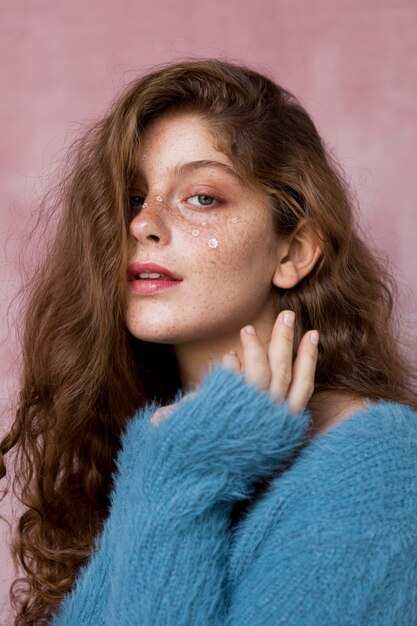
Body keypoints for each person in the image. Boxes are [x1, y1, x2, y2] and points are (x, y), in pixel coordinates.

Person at [1, 58, 417, 625]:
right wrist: (184, 458)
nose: (141, 224)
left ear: (293, 252)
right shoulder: (150, 444)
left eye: (202, 197)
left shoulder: (381, 468)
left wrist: (182, 471)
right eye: (132, 199)